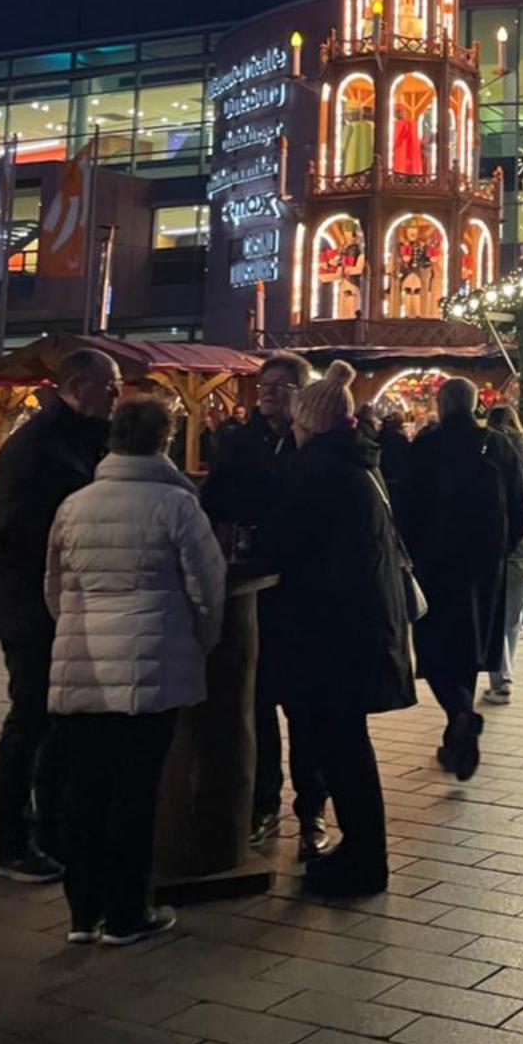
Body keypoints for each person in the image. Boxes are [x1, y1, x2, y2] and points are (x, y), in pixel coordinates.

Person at [45, 395, 226, 945]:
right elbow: (207, 587)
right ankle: (127, 911)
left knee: (86, 785)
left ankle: (83, 911)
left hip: (83, 661)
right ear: (165, 441)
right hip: (152, 660)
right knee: (135, 788)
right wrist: (200, 642)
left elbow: (55, 589)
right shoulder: (176, 505)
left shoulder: (73, 505)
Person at [255, 361, 415, 900]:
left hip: (330, 632)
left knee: (342, 748)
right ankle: (360, 850)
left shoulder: (316, 470)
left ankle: (366, 861)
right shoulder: (358, 461)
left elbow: (280, 543)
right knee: (346, 746)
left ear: (310, 423)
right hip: (356, 628)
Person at [0, 348, 122, 881]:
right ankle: (11, 839)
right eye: (108, 385)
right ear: (79, 384)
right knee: (30, 720)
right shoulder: (38, 445)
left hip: (61, 604)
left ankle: (51, 827)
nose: (115, 394)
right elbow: (17, 532)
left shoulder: (84, 439)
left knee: (59, 723)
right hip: (31, 607)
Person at [204, 351, 323, 854]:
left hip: (306, 590)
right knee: (258, 701)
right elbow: (216, 500)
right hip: (255, 586)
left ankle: (312, 809)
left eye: (282, 385)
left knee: (308, 709)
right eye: (265, 384)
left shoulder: (317, 446)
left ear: (303, 392)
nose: (270, 392)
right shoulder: (239, 441)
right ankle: (264, 802)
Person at [400, 377, 520, 779]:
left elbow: (408, 506)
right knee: (471, 644)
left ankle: (460, 714)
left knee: (435, 649)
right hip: (485, 565)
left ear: (442, 404)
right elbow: (519, 506)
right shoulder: (499, 445)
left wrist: (413, 554)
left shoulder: (428, 446)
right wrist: (499, 551)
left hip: (436, 564)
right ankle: (460, 722)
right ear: (475, 405)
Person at [484, 404, 523, 703]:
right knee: (514, 616)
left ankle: (501, 678)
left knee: (497, 614)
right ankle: (505, 673)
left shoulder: (493, 452)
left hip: (498, 543)